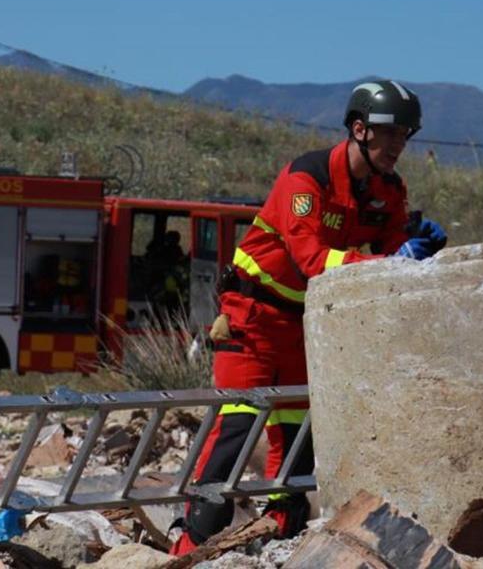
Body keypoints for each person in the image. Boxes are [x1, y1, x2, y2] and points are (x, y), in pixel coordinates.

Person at [169, 80, 448, 555]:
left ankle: (281, 536)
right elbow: (312, 260)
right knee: (237, 429)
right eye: (390, 132)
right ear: (359, 129)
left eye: (407, 133)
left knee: (298, 437)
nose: (399, 143)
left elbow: (389, 251)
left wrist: (415, 249)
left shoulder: (387, 190)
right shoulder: (307, 179)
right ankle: (190, 543)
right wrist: (394, 259)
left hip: (303, 323)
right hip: (251, 317)